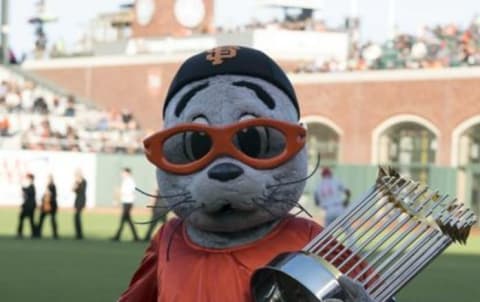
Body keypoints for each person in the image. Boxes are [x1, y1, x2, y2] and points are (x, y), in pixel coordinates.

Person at [112, 168, 139, 241]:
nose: (122, 174)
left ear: (127, 173)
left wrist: (120, 192)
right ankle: (136, 237)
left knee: (123, 219)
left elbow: (130, 191)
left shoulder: (130, 181)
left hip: (128, 202)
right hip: (125, 202)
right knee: (127, 220)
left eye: (123, 173)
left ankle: (117, 236)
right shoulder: (125, 181)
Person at [36, 174, 59, 239]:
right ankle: (38, 233)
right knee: (42, 219)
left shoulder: (52, 187)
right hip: (46, 206)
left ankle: (55, 234)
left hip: (51, 206)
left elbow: (51, 196)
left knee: (52, 220)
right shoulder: (49, 186)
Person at [16, 173, 36, 238]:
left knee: (30, 220)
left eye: (28, 178)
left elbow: (28, 193)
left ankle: (33, 234)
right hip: (27, 206)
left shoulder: (32, 187)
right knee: (24, 219)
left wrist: (23, 189)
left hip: (29, 207)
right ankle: (20, 233)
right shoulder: (30, 187)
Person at [73, 169, 87, 239]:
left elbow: (81, 189)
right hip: (77, 201)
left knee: (77, 217)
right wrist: (76, 183)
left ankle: (79, 234)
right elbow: (73, 190)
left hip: (81, 201)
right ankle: (78, 234)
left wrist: (77, 183)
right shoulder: (77, 182)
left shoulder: (84, 181)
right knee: (76, 218)